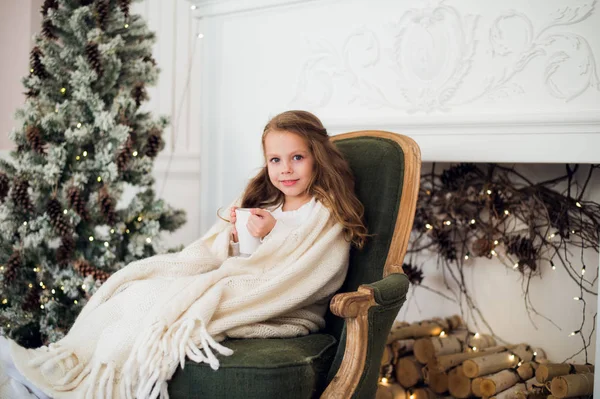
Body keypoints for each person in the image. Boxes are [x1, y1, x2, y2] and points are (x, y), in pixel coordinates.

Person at [0, 110, 368, 398]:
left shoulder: (324, 214)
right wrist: (236, 236)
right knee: (139, 290)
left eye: (297, 157)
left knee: (169, 306)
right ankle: (59, 371)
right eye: (275, 160)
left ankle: (92, 387)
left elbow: (306, 270)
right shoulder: (264, 202)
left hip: (272, 298)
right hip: (233, 275)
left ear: (317, 158)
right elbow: (226, 253)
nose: (285, 169)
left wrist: (274, 234)